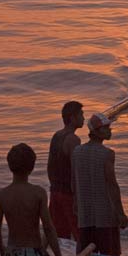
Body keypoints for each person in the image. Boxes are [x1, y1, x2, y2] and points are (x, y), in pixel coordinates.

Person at [0, 143, 63, 256]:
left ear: (9, 166)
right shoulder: (38, 193)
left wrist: (2, 251)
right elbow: (48, 228)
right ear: (32, 167)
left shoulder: (2, 195)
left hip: (12, 254)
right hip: (35, 254)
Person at [72, 112, 128, 256]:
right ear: (95, 132)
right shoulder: (107, 154)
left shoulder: (77, 152)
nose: (110, 130)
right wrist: (121, 213)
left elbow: (73, 182)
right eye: (106, 128)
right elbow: (112, 185)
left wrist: (76, 205)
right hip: (105, 216)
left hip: (85, 214)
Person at [47, 100, 84, 242]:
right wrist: (77, 198)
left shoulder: (57, 135)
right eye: (81, 114)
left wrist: (53, 187)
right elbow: (76, 172)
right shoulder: (73, 139)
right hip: (68, 194)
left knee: (60, 236)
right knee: (79, 235)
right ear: (72, 118)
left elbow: (50, 166)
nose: (83, 118)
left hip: (55, 192)